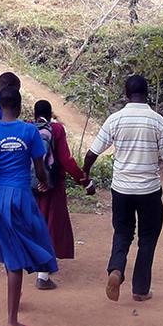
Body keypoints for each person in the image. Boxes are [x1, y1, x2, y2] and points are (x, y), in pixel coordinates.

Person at [82, 74, 163, 303]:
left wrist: (85, 172)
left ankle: (116, 269)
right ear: (146, 94)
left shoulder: (115, 119)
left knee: (122, 232)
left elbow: (92, 152)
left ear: (126, 94)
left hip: (121, 190)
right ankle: (140, 289)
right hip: (149, 191)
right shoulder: (157, 121)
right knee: (148, 237)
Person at [0, 88, 58, 326]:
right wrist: (44, 183)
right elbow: (39, 167)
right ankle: (12, 321)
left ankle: (15, 297)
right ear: (20, 107)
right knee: (19, 255)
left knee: (13, 251)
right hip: (21, 196)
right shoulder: (29, 131)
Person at [31, 99, 97, 290]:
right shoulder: (57, 130)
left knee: (36, 225)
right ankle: (43, 276)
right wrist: (84, 180)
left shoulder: (26, 128)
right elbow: (66, 160)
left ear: (34, 114)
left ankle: (39, 265)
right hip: (52, 186)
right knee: (51, 226)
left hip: (30, 186)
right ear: (50, 114)